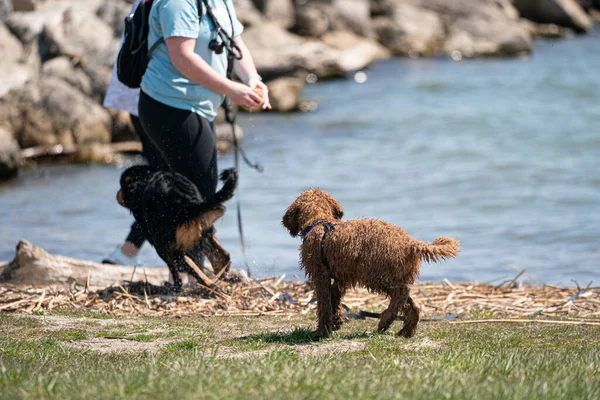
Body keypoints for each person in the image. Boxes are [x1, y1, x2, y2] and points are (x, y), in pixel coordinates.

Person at [105, 0, 270, 266]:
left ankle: (189, 266)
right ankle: (189, 273)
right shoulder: (176, 3)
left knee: (195, 194)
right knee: (197, 198)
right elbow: (181, 57)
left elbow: (234, 40)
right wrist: (230, 88)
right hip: (168, 106)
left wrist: (252, 79)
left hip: (198, 106)